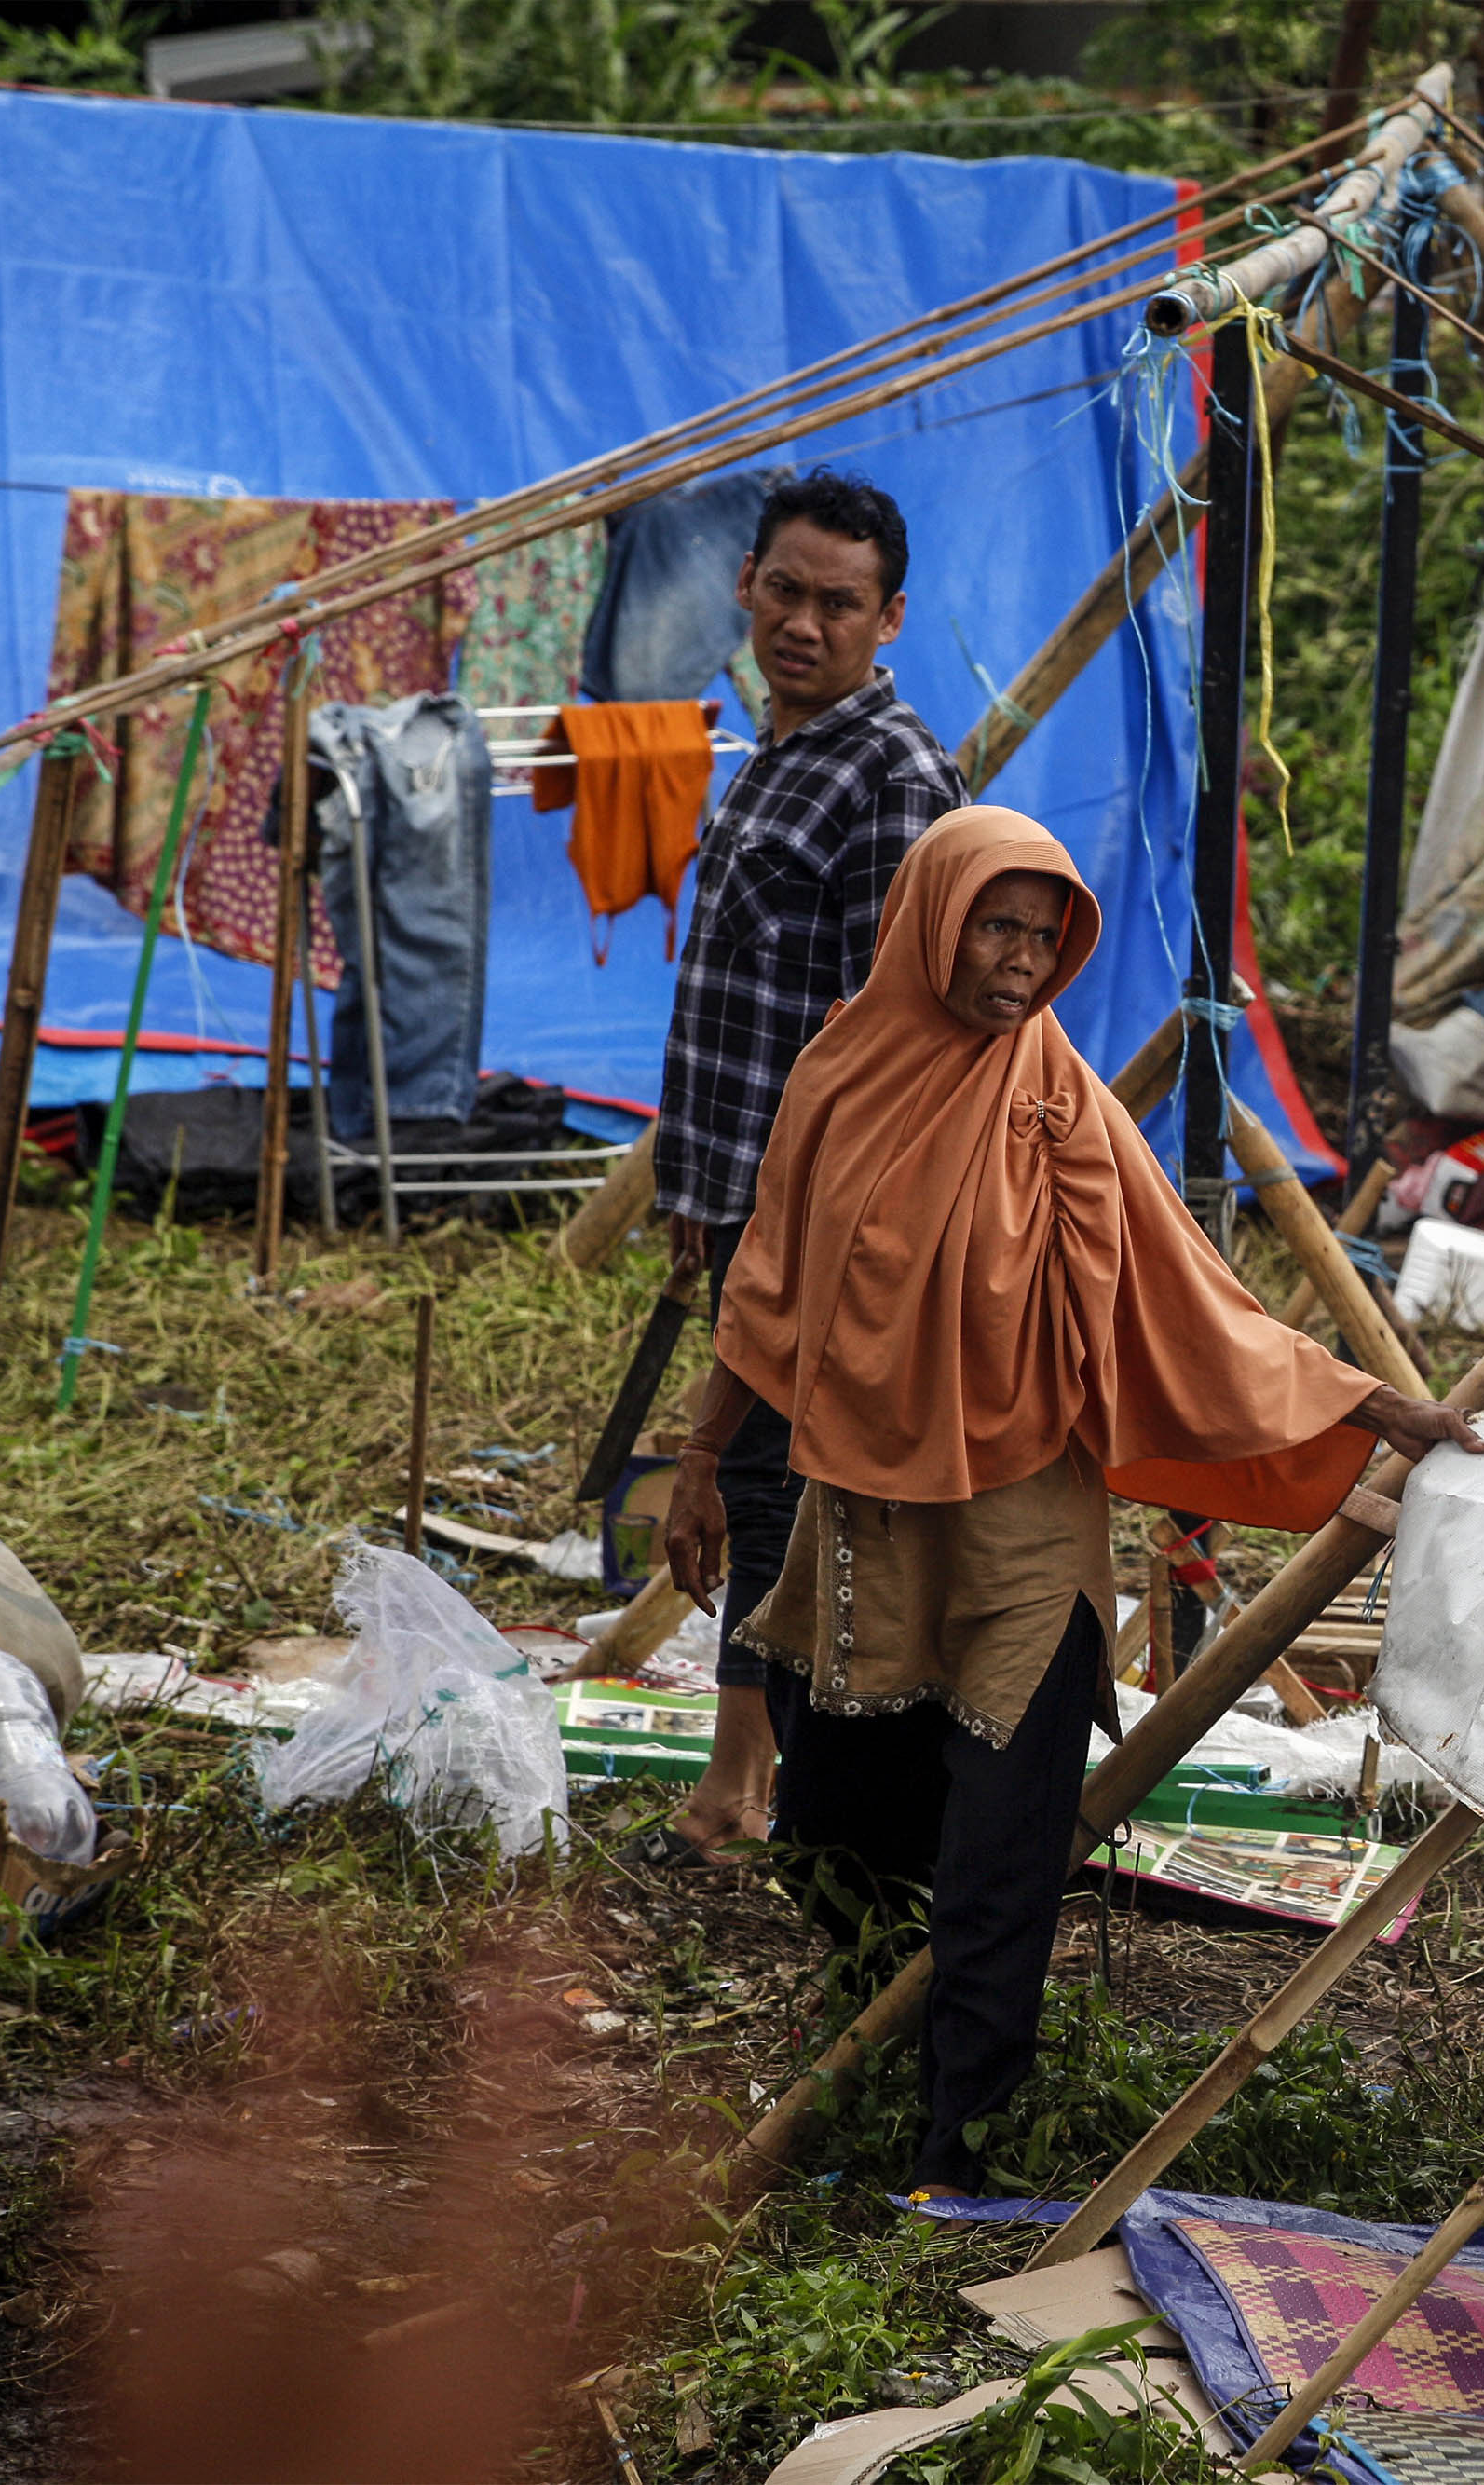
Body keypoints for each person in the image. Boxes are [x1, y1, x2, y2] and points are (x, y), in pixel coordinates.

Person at [660, 806, 1484, 2196]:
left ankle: (958, 2150)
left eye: (1047, 937)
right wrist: (697, 1461)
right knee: (832, 1824)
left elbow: (1190, 1297)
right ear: (932, 919)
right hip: (868, 1508)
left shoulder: (1056, 1098)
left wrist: (1366, 1404)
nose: (1023, 960)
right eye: (998, 925)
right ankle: (873, 2033)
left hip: (1028, 1515)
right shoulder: (838, 1077)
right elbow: (770, 1286)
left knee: (1006, 1838)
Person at [651, 471, 966, 1854]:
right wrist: (694, 1192)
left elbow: (886, 1046)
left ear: (888, 619)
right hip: (738, 1184)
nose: (805, 622)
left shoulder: (893, 776)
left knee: (770, 1475)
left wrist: (791, 1223)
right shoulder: (779, 749)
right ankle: (765, 1771)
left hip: (813, 1207)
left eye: (841, 602)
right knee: (763, 1473)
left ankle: (739, 1788)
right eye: (785, 589)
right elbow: (734, 1000)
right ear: (746, 584)